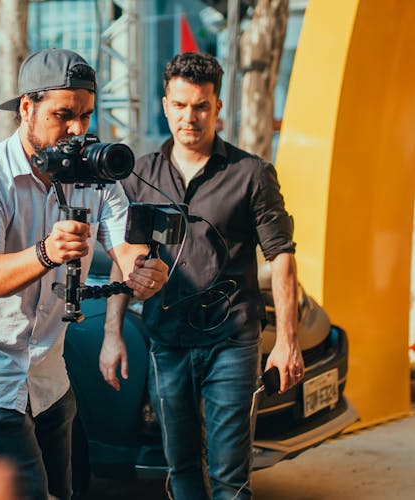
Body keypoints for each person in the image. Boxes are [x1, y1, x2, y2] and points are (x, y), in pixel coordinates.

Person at [0, 48, 169, 500]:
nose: (78, 129)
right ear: (26, 107)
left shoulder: (96, 179)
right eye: (63, 115)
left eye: (86, 115)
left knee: (65, 490)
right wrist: (45, 252)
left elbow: (127, 249)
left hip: (46, 373)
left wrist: (147, 270)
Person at [100, 52, 304, 499]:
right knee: (182, 467)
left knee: (230, 476)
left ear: (218, 107)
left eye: (201, 106)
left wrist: (288, 341)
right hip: (166, 341)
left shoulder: (251, 174)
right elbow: (124, 259)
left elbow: (282, 256)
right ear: (164, 104)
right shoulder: (139, 176)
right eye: (180, 105)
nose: (189, 117)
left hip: (231, 341)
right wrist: (112, 334)